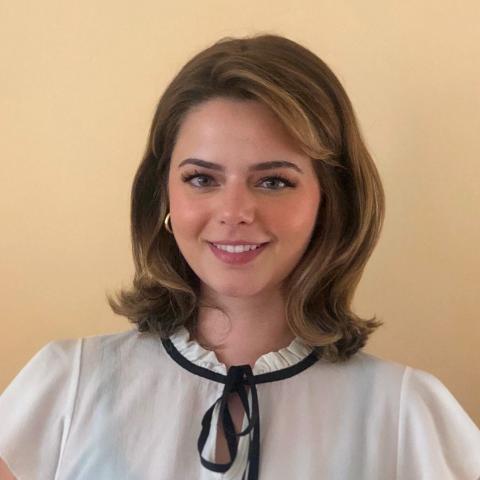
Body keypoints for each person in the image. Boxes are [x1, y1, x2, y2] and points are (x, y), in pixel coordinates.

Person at [0, 33, 479, 480]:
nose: (233, 213)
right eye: (201, 179)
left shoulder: (403, 412)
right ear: (163, 195)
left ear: (330, 200)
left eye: (273, 181)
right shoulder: (68, 384)